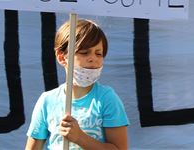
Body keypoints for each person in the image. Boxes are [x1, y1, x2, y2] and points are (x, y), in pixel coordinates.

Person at [26, 19, 128, 150]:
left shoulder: (107, 98)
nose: (93, 58)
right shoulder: (47, 101)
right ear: (61, 57)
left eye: (99, 53)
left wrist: (80, 137)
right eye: (84, 52)